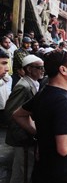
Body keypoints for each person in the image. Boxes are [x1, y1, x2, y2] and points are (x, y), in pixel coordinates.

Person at [12, 49, 67, 183]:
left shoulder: (45, 92)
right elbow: (64, 148)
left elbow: (18, 115)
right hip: (59, 174)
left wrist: (41, 135)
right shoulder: (63, 102)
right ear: (63, 69)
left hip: (44, 170)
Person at [5, 55, 44, 183]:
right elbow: (12, 113)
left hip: (27, 138)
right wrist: (26, 136)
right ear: (29, 69)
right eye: (39, 68)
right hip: (24, 140)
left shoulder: (32, 84)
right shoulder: (23, 86)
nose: (42, 70)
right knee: (21, 173)